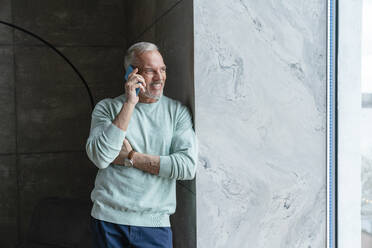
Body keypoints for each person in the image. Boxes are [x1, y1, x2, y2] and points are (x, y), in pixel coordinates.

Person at [85, 41, 197, 248]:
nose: (159, 77)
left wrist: (131, 158)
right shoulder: (107, 108)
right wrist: (129, 103)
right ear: (131, 73)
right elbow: (101, 157)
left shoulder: (177, 112)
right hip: (108, 219)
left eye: (162, 70)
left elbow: (187, 167)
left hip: (154, 224)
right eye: (149, 71)